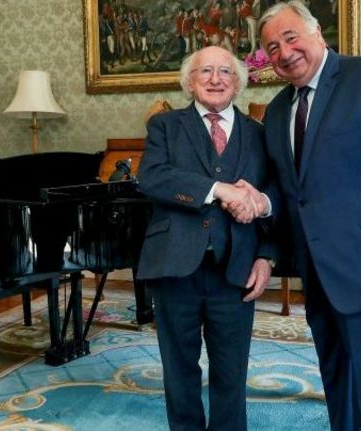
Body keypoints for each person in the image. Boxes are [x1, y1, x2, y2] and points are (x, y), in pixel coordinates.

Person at [247, 1, 361, 429]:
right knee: (337, 378)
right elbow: (288, 191)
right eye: (272, 47)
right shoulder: (277, 111)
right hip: (318, 272)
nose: (284, 52)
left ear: (317, 33)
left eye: (291, 37)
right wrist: (268, 242)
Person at [135, 46, 275, 431]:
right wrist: (219, 189)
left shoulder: (259, 134)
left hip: (237, 269)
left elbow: (274, 197)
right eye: (206, 72)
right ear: (189, 82)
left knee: (232, 370)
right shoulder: (165, 126)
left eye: (225, 72)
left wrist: (266, 257)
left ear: (238, 82)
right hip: (174, 267)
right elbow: (153, 177)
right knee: (179, 369)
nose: (216, 79)